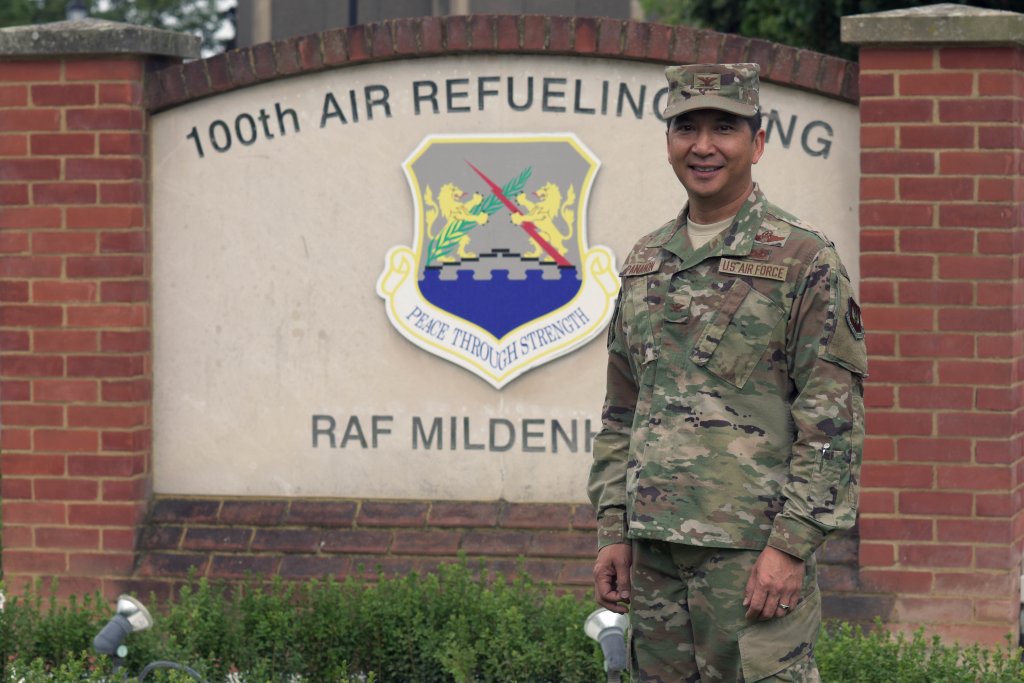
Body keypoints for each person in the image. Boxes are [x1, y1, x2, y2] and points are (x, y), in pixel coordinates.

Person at [588, 63, 866, 682]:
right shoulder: (646, 262)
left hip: (751, 562)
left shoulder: (803, 261)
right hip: (655, 559)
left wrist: (791, 545)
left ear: (758, 142)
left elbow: (831, 423)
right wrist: (613, 528)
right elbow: (621, 412)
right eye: (686, 127)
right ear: (668, 143)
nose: (703, 145)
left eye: (725, 127)